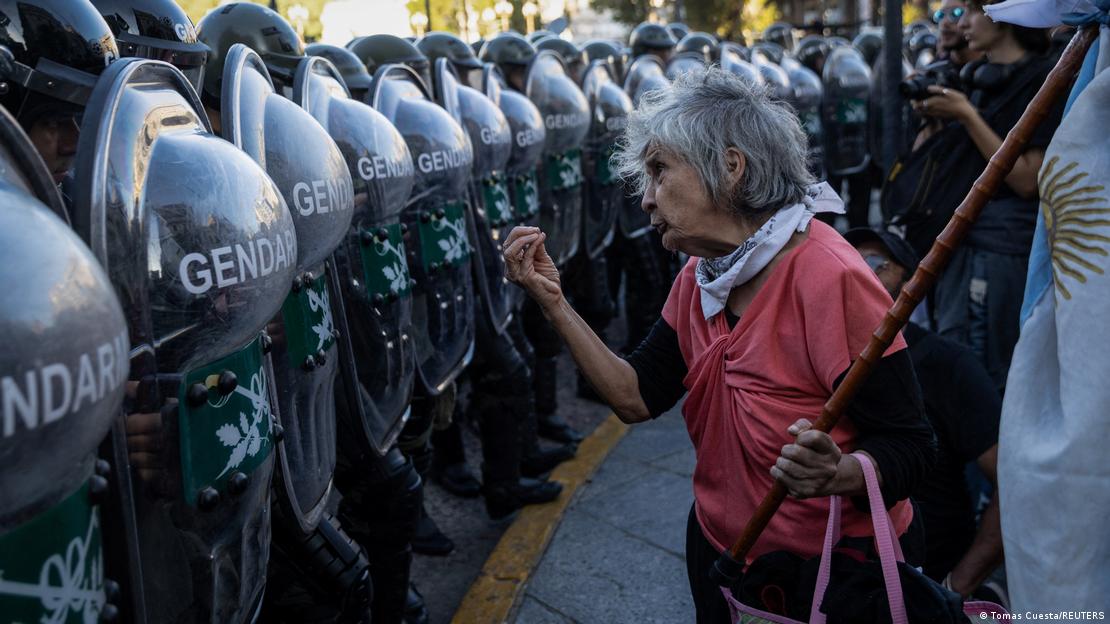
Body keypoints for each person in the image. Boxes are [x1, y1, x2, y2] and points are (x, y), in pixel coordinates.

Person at [503, 67, 935, 622]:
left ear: (731, 167)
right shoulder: (702, 275)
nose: (646, 200)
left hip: (831, 572)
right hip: (721, 552)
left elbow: (914, 446)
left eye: (659, 171)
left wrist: (841, 472)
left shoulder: (830, 277)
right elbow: (636, 397)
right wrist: (555, 303)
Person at [906, 0, 1062, 387]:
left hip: (1001, 249)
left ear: (1008, 19)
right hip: (960, 243)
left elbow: (1026, 178)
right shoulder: (976, 78)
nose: (965, 24)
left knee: (983, 372)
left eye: (974, 12)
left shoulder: (1045, 80)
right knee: (953, 358)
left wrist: (967, 116)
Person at [846, 227, 1006, 602]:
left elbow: (1014, 481)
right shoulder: (814, 355)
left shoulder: (948, 365)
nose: (858, 271)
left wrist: (958, 586)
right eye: (847, 260)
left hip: (926, 580)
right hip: (840, 581)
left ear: (910, 287)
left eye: (876, 263)